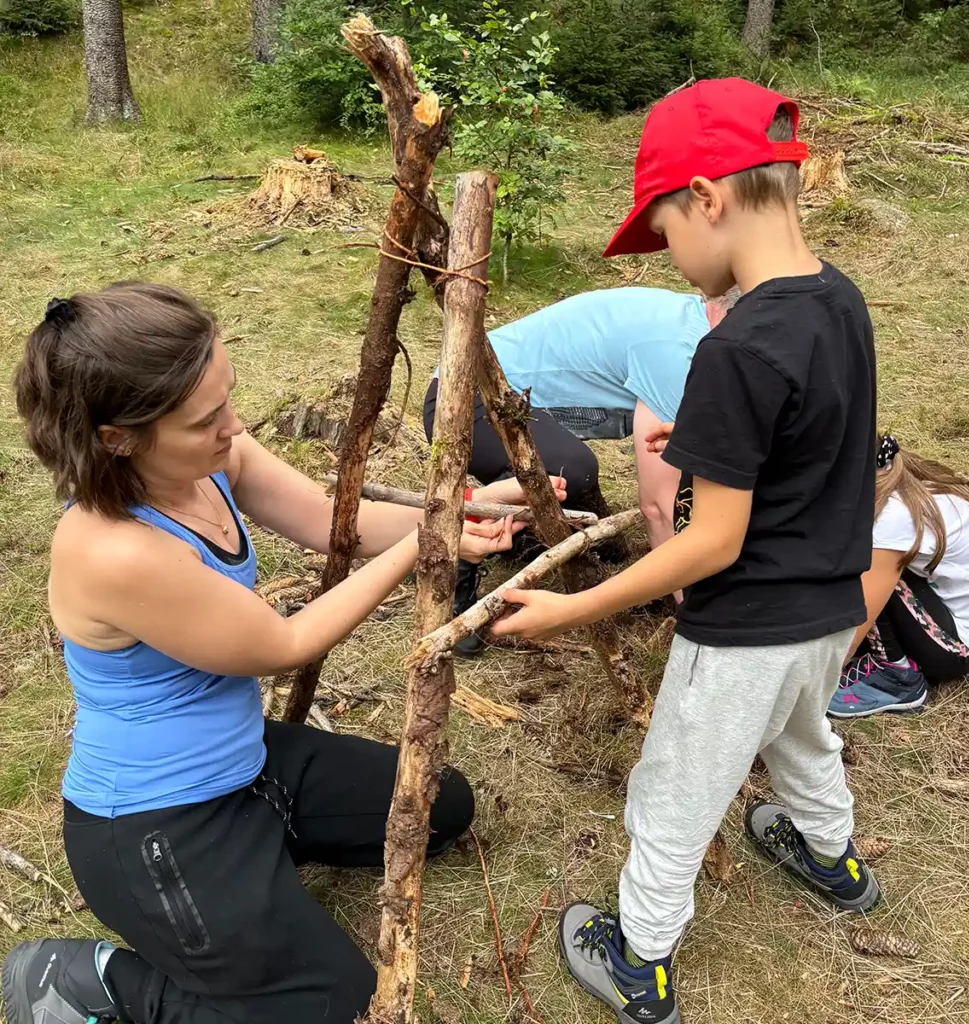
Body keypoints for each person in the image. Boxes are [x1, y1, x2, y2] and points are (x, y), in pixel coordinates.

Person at [1, 282, 563, 1024]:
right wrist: (429, 545)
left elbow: (341, 523)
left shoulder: (209, 457)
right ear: (118, 437)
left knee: (439, 807)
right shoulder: (112, 550)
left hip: (249, 766)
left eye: (228, 398)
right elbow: (285, 644)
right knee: (335, 1006)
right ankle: (88, 981)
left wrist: (459, 510)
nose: (235, 428)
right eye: (207, 420)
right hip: (157, 826)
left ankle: (256, 870)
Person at [492, 78, 880, 1024]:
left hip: (744, 627)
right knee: (803, 736)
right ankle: (833, 858)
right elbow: (814, 439)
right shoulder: (838, 301)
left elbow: (715, 540)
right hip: (829, 609)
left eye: (663, 227)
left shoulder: (739, 345)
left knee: (674, 787)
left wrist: (573, 606)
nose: (668, 254)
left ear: (706, 197)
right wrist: (707, 444)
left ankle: (639, 959)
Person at [423, 287, 732, 655]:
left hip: (512, 397)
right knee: (571, 468)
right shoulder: (678, 351)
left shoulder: (692, 323)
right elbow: (659, 504)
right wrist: (695, 613)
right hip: (464, 397)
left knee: (576, 480)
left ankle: (537, 533)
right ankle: (451, 561)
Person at [828, 435, 969, 718]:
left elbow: (858, 617)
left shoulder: (893, 517)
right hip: (964, 610)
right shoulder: (896, 473)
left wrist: (816, 677)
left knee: (857, 565)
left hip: (960, 646)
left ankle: (897, 676)